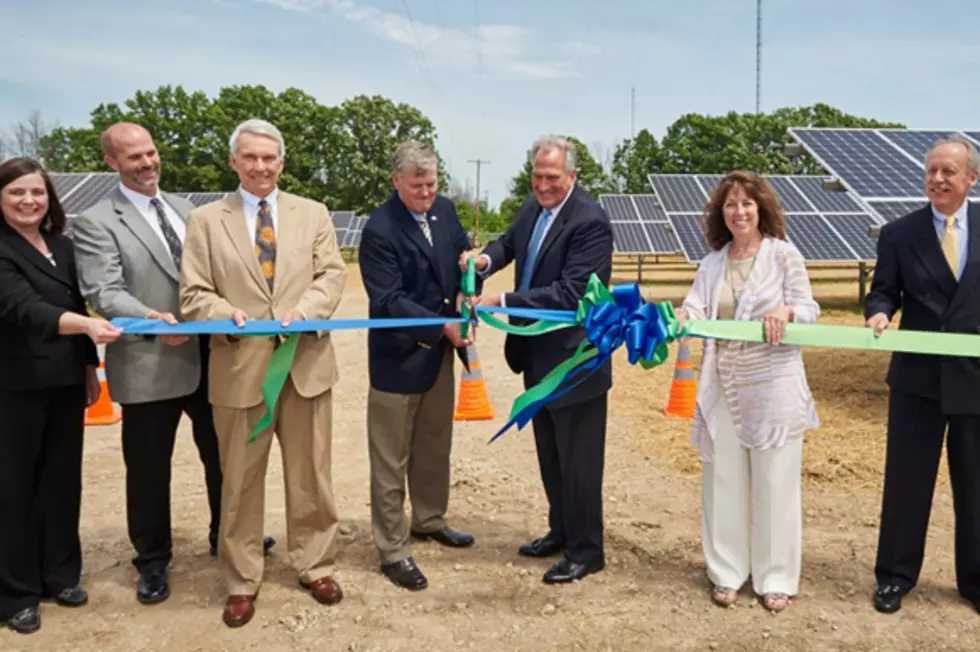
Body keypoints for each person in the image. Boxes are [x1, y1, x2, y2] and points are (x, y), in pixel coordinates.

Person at [71, 122, 275, 606]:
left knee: (224, 458)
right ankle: (153, 561)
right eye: (133, 156)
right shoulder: (98, 221)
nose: (147, 163)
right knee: (147, 470)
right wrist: (152, 318)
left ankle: (223, 537)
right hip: (149, 363)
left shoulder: (190, 211)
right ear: (112, 163)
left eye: (151, 152)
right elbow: (103, 290)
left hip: (212, 361)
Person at [179, 118, 348, 627]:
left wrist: (307, 311)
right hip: (240, 369)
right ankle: (240, 579)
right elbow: (193, 294)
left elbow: (331, 273)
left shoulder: (312, 213)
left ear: (282, 161)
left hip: (305, 367)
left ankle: (315, 562)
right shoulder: (206, 221)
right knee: (240, 481)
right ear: (234, 161)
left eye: (269, 158)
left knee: (312, 475)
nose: (260, 166)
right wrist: (223, 315)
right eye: (250, 157)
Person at [459, 135, 613, 584]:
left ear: (572, 176)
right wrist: (484, 259)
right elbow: (509, 243)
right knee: (551, 454)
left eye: (552, 178)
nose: (542, 185)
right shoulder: (534, 207)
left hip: (574, 361)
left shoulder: (590, 223)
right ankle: (561, 531)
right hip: (536, 356)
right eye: (537, 176)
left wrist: (502, 299)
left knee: (580, 462)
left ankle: (587, 551)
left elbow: (570, 292)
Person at [674, 170, 820, 613]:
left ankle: (776, 576)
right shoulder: (713, 261)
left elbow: (810, 309)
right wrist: (685, 313)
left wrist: (787, 309)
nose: (739, 212)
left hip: (773, 385)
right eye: (730, 205)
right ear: (722, 214)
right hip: (722, 384)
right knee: (723, 479)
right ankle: (726, 570)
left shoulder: (784, 255)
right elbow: (697, 304)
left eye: (747, 204)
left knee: (775, 481)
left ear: (762, 210)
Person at [0, 157, 122, 634]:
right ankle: (16, 594)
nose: (29, 201)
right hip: (14, 386)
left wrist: (90, 366)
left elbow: (74, 302)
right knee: (14, 489)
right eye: (17, 193)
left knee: (61, 481)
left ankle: (60, 575)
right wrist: (87, 325)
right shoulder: (2, 249)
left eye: (37, 192)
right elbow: (22, 308)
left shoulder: (61, 247)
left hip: (66, 380)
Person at [865, 134, 980, 614]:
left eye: (948, 171)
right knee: (907, 483)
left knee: (976, 486)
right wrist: (878, 313)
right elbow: (882, 291)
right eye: (932, 170)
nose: (937, 179)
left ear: (972, 179)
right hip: (916, 379)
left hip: (975, 379)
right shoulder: (899, 233)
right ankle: (894, 577)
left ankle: (975, 583)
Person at [358, 140, 478, 591]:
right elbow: (388, 301)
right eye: (418, 185)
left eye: (432, 183)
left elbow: (460, 261)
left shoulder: (445, 211)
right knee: (391, 458)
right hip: (398, 361)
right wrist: (443, 328)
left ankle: (429, 518)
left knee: (434, 446)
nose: (428, 193)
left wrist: (470, 285)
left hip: (440, 358)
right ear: (396, 181)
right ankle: (392, 549)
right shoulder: (380, 229)